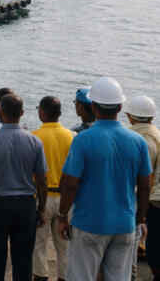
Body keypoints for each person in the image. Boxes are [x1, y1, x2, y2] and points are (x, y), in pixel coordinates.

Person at [57, 77, 152, 281]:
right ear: (119, 107)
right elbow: (145, 186)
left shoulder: (83, 139)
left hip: (88, 223)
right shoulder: (138, 142)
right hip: (125, 224)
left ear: (93, 106)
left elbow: (71, 184)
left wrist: (63, 215)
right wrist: (140, 218)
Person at [0, 94, 47, 281]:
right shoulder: (34, 141)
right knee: (23, 260)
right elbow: (42, 180)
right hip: (25, 205)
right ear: (22, 113)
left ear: (0, 112)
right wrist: (41, 209)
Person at [31, 96, 75, 281]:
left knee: (39, 244)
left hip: (42, 197)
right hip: (66, 198)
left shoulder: (34, 137)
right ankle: (64, 277)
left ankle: (41, 276)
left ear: (42, 112)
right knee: (64, 245)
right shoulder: (72, 137)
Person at [123, 95, 160, 280]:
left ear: (130, 116)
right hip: (151, 198)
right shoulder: (157, 134)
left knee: (137, 244)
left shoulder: (137, 138)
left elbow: (143, 177)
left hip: (144, 199)